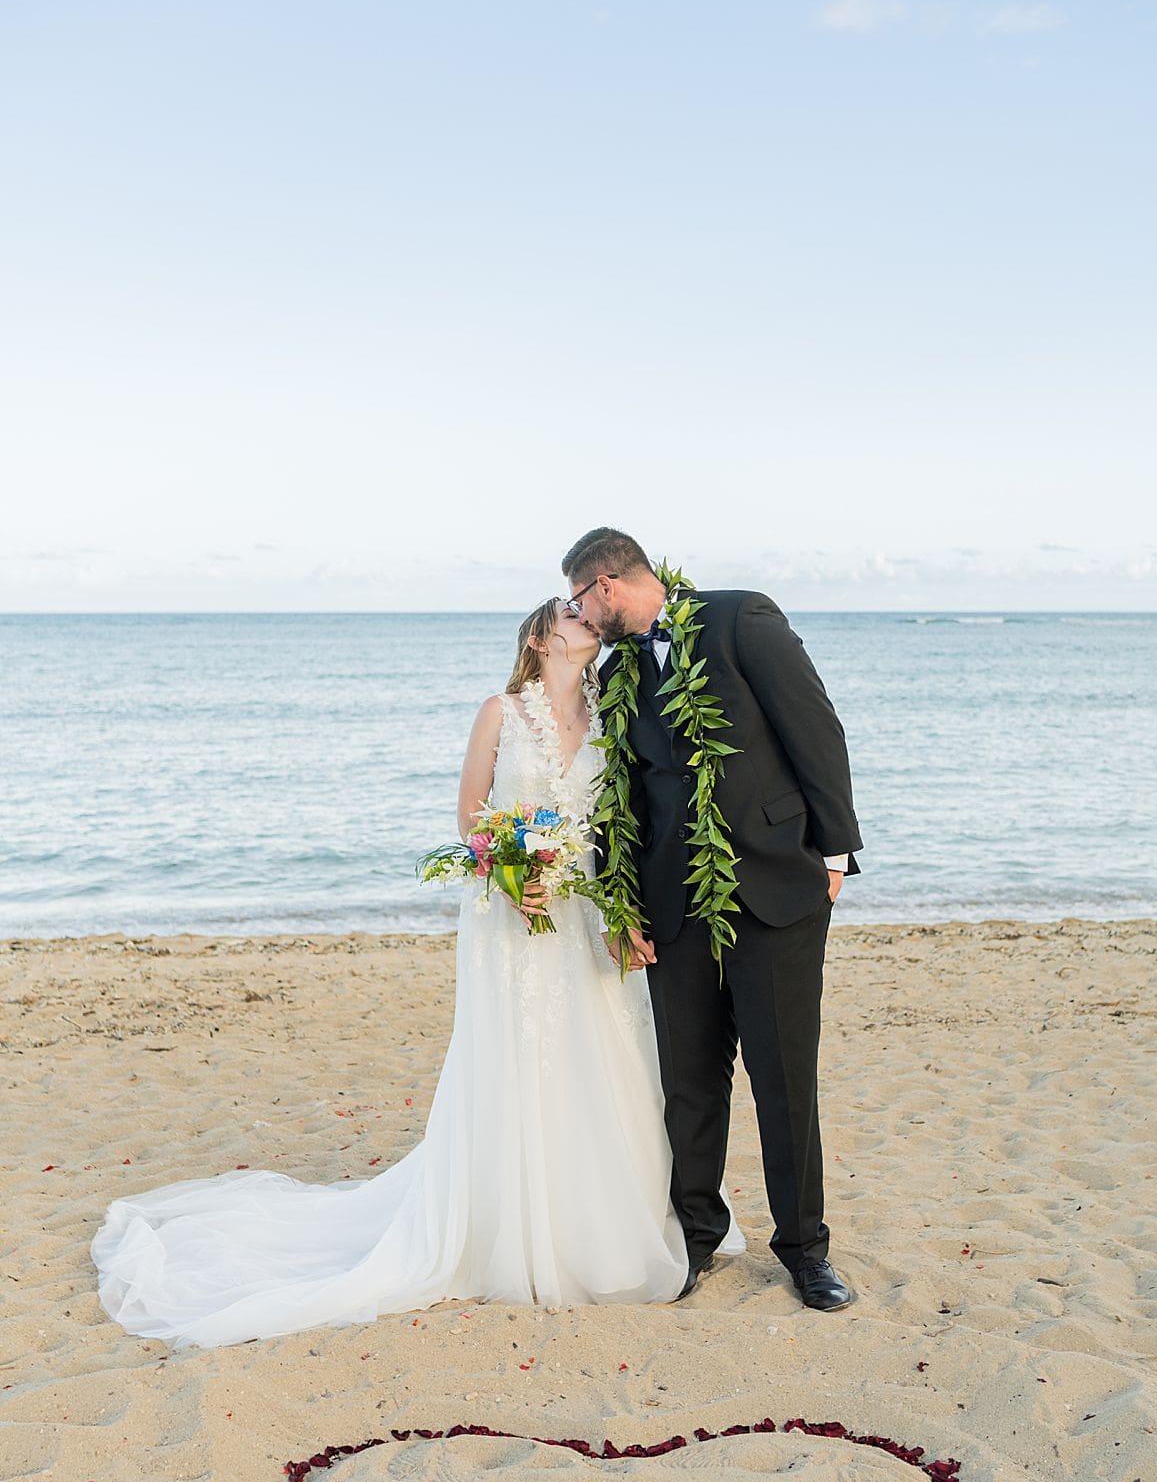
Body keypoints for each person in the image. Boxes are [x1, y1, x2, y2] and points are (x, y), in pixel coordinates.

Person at [91, 598, 742, 1350]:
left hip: (587, 915)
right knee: (520, 1061)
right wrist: (508, 871)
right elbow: (470, 816)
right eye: (570, 613)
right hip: (514, 912)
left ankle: (621, 1219)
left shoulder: (612, 714)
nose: (584, 619)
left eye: (586, 611)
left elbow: (624, 824)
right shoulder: (499, 711)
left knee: (607, 1056)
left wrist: (624, 909)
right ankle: (514, 1227)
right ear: (540, 638)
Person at [562, 527, 861, 1309]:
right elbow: (612, 798)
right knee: (689, 1085)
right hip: (670, 908)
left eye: (580, 602)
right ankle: (695, 1239)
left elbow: (815, 728)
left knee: (785, 1082)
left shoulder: (739, 619)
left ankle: (805, 1251)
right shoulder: (619, 671)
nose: (581, 619)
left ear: (606, 584)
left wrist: (834, 855)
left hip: (775, 891)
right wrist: (620, 901)